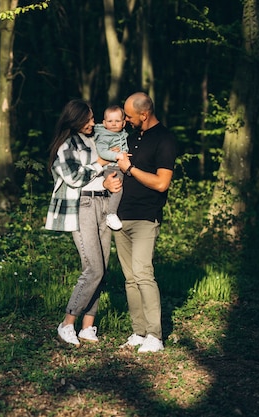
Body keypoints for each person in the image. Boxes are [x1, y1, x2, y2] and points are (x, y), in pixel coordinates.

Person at [45, 99, 122, 347]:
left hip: (103, 204)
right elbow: (75, 177)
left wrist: (109, 181)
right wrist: (100, 165)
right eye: (88, 119)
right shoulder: (66, 145)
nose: (93, 122)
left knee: (103, 270)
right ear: (75, 119)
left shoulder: (94, 139)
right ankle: (67, 323)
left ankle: (87, 327)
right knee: (93, 269)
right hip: (82, 207)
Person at [114, 92, 177, 353]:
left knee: (143, 274)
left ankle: (155, 336)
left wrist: (130, 169)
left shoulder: (165, 139)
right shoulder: (129, 137)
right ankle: (138, 332)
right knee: (130, 279)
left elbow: (162, 183)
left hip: (145, 218)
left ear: (144, 114)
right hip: (120, 217)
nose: (125, 120)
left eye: (129, 116)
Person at [93, 105, 129, 231]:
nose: (113, 124)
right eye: (110, 121)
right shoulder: (104, 136)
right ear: (104, 123)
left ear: (124, 123)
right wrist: (117, 155)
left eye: (117, 121)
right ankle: (111, 214)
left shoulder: (122, 134)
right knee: (117, 188)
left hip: (119, 166)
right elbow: (102, 152)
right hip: (111, 168)